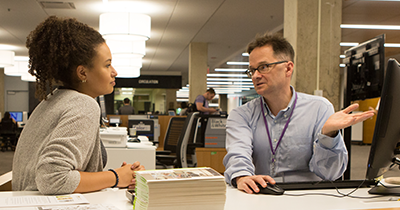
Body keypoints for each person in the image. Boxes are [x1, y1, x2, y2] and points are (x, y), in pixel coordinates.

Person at [223, 33, 375, 194]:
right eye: (252, 70)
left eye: (263, 67)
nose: (255, 76)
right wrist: (242, 176)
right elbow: (238, 153)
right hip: (261, 196)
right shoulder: (241, 115)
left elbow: (330, 174)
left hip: (308, 198)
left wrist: (328, 135)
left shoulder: (319, 109)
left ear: (288, 68)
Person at [12, 16, 145, 195]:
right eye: (107, 65)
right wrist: (116, 177)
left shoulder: (53, 100)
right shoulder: (84, 105)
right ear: (82, 72)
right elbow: (52, 179)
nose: (114, 72)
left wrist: (121, 175)